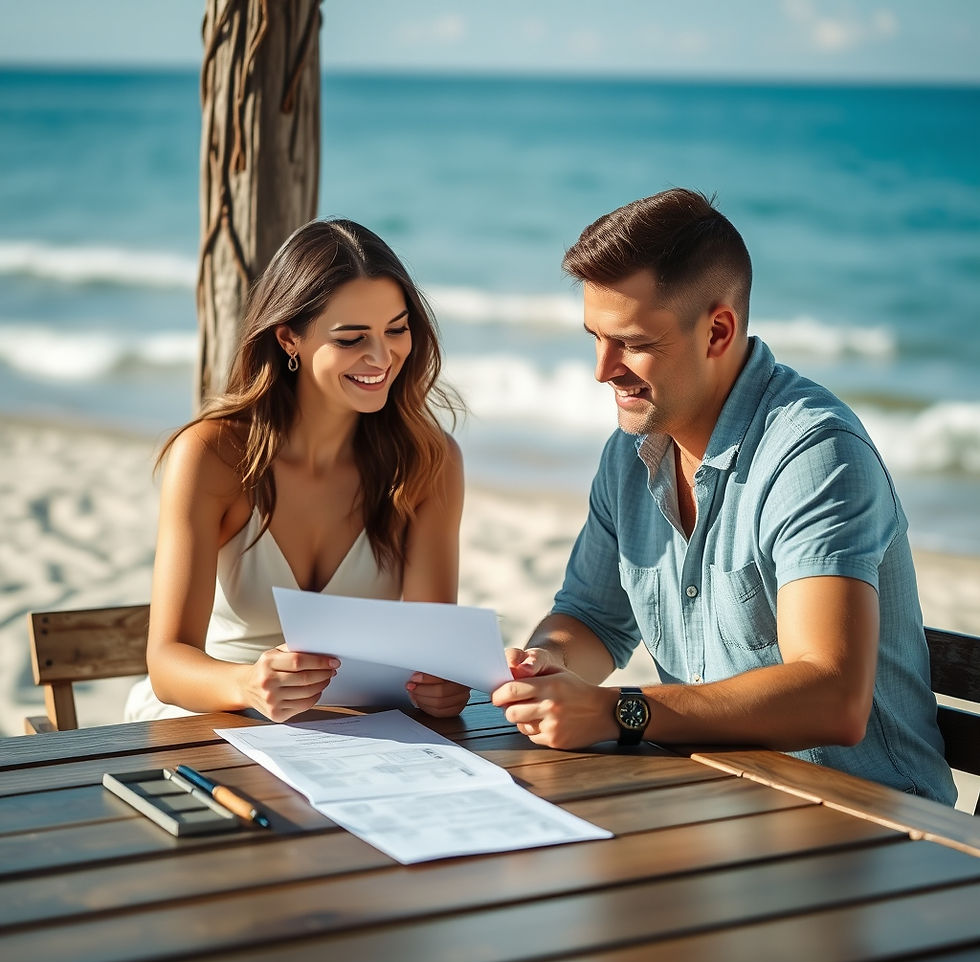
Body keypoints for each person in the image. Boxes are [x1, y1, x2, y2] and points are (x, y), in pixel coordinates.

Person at [492, 188, 956, 804]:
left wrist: (620, 712)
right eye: (594, 337)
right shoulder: (630, 453)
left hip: (871, 826)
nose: (602, 369)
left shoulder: (815, 456)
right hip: (719, 803)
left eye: (633, 342)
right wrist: (547, 667)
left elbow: (832, 695)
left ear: (717, 330)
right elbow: (594, 620)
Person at [126, 219, 468, 723]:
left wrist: (443, 684)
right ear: (289, 338)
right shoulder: (211, 456)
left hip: (354, 734)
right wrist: (247, 683)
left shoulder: (428, 461)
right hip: (214, 719)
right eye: (352, 338)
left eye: (397, 329)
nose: (382, 356)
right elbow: (167, 664)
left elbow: (430, 657)